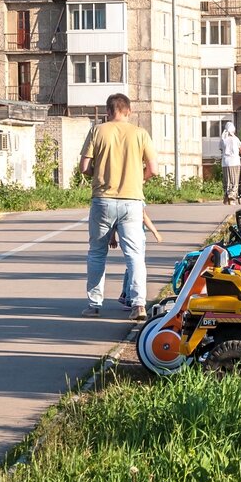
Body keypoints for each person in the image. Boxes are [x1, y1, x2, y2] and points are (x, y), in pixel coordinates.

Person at [79, 93, 158, 321]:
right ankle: (139, 305)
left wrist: (99, 172)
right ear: (128, 111)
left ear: (108, 111)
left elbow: (84, 166)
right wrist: (138, 180)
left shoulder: (98, 130)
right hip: (132, 202)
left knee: (96, 253)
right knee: (135, 255)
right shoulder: (140, 134)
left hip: (102, 200)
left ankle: (94, 305)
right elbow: (153, 168)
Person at [219, 122, 241, 204]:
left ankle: (226, 194)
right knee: (234, 180)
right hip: (234, 161)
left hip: (225, 162)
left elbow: (221, 149)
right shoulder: (235, 139)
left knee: (227, 180)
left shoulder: (223, 139)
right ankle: (231, 198)